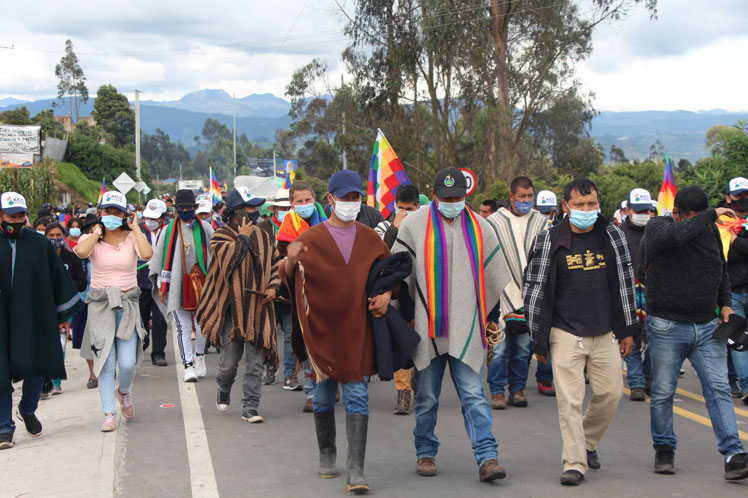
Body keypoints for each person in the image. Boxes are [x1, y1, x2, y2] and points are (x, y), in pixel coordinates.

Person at [393, 167, 510, 483]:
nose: (452, 202)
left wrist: (489, 319)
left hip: (468, 325)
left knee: (473, 395)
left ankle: (487, 457)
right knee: (428, 396)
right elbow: (400, 279)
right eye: (446, 198)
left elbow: (492, 278)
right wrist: (407, 319)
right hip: (425, 326)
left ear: (465, 196)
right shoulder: (414, 225)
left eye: (457, 197)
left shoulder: (480, 227)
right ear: (434, 196)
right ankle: (425, 452)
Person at [282, 170, 392, 494]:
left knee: (358, 394)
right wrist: (288, 263)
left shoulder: (371, 238)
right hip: (321, 333)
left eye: (354, 197)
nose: (349, 203)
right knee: (324, 394)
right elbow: (287, 277)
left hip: (357, 332)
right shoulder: (312, 238)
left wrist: (386, 295)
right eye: (344, 197)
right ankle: (327, 453)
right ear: (330, 199)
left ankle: (356, 469)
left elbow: (390, 275)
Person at [523, 179, 636, 486]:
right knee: (570, 401)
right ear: (566, 207)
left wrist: (627, 329)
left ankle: (586, 443)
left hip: (604, 332)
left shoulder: (612, 236)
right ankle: (574, 462)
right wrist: (538, 337)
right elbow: (534, 290)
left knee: (610, 394)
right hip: (565, 333)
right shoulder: (549, 240)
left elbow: (625, 283)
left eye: (592, 204)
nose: (587, 210)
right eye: (580, 205)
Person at [643, 186, 748, 480]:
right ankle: (664, 448)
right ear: (676, 212)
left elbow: (721, 269)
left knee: (719, 389)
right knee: (663, 391)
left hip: (706, 325)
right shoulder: (658, 228)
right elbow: (677, 235)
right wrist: (711, 215)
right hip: (666, 326)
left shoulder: (710, 232)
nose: (697, 221)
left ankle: (733, 454)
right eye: (693, 216)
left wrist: (725, 304)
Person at [0, 192, 82, 449]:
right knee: (0, 373)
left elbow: (58, 278)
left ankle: (28, 408)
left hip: (33, 315)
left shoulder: (39, 243)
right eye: (11, 216)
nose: (17, 220)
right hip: (1, 320)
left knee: (35, 366)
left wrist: (63, 316)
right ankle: (4, 427)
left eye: (21, 215)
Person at [197, 189, 281, 423]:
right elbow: (226, 263)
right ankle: (223, 387)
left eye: (255, 208)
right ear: (236, 213)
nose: (254, 213)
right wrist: (242, 238)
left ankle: (250, 407)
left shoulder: (265, 235)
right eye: (249, 209)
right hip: (231, 312)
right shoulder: (220, 236)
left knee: (255, 364)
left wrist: (273, 287)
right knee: (229, 365)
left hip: (259, 309)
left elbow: (274, 264)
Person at [75, 191, 152, 432]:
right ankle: (109, 414)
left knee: (128, 363)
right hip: (101, 306)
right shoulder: (92, 239)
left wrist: (136, 228)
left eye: (117, 211)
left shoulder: (131, 238)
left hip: (128, 305)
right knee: (106, 365)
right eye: (107, 211)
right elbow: (81, 253)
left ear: (125, 214)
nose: (111, 215)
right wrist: (96, 232)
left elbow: (147, 254)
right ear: (100, 212)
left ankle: (124, 393)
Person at [486, 177, 554, 409]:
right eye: (521, 197)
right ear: (512, 196)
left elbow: (547, 257)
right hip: (500, 295)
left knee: (523, 349)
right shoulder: (494, 222)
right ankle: (497, 392)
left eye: (529, 197)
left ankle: (517, 390)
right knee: (499, 348)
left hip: (531, 294)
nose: (526, 201)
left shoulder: (542, 222)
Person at [150, 190, 213, 382]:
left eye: (190, 207)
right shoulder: (168, 231)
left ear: (195, 208)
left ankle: (200, 357)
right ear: (176, 209)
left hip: (203, 284)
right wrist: (162, 284)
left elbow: (216, 254)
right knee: (182, 327)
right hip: (176, 284)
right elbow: (159, 259)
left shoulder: (205, 228)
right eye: (182, 208)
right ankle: (188, 365)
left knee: (203, 325)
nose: (186, 210)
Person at [277, 181, 328, 410]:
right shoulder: (286, 230)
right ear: (292, 203)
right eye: (299, 201)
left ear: (314, 200)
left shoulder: (329, 224)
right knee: (305, 344)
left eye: (308, 200)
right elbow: (282, 261)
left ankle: (328, 385)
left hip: (328, 293)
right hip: (300, 295)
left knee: (328, 344)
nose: (305, 204)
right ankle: (311, 393)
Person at [373, 183, 420, 414]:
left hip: (420, 295)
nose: (405, 212)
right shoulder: (383, 227)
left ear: (417, 207)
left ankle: (420, 385)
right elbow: (379, 254)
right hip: (395, 294)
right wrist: (395, 227)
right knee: (401, 341)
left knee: (421, 342)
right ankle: (403, 392)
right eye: (400, 208)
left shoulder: (425, 226)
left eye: (409, 208)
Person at [258, 189, 299, 391]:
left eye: (287, 208)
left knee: (290, 334)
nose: (284, 211)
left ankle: (290, 374)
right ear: (274, 209)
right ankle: (270, 367)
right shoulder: (263, 228)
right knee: (269, 333)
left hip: (290, 291)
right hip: (267, 289)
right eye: (281, 208)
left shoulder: (298, 226)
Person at [618, 188, 656, 402]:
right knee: (630, 338)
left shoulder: (657, 230)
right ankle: (637, 383)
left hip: (654, 291)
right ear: (629, 209)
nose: (644, 214)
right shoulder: (618, 233)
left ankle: (650, 378)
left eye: (646, 210)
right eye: (639, 210)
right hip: (628, 291)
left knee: (655, 338)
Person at [44, 223, 86, 396]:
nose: (55, 239)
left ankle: (55, 382)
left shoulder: (71, 257)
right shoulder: (40, 257)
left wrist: (66, 288)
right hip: (43, 306)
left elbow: (82, 282)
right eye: (51, 235)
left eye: (58, 235)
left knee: (59, 344)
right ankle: (43, 381)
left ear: (65, 236)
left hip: (63, 308)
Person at [724, 177, 748, 399]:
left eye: (746, 194)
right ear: (728, 197)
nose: (743, 199)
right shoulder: (721, 221)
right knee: (737, 339)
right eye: (738, 195)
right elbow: (722, 255)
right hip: (731, 290)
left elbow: (735, 249)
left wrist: (736, 242)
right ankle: (743, 385)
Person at [140, 199, 169, 366]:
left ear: (162, 217)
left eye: (154, 218)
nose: (149, 221)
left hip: (161, 284)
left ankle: (158, 353)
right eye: (147, 218)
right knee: (140, 319)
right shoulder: (137, 232)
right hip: (141, 282)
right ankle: (142, 345)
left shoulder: (170, 232)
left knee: (160, 320)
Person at [73, 214, 99, 389]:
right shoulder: (84, 242)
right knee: (86, 339)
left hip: (104, 299)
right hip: (85, 300)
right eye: (92, 227)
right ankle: (92, 373)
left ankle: (107, 368)